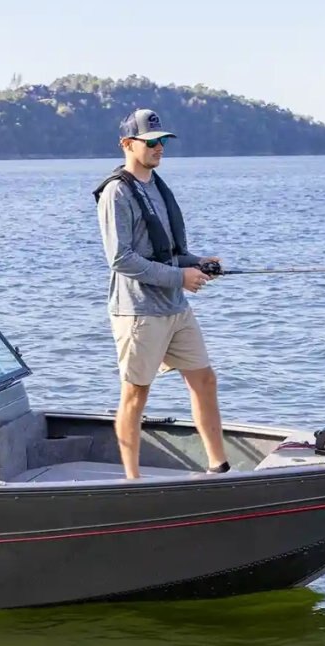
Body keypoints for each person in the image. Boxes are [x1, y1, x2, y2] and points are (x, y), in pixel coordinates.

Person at [92, 108, 229, 479]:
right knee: (136, 394)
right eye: (151, 141)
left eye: (162, 141)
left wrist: (198, 263)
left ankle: (219, 469)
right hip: (138, 312)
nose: (159, 147)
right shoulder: (116, 193)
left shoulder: (157, 187)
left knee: (205, 380)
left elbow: (165, 253)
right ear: (127, 144)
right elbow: (121, 259)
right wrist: (180, 277)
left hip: (174, 307)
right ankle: (132, 481)